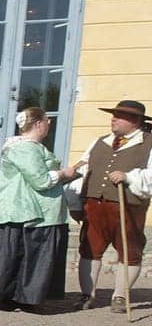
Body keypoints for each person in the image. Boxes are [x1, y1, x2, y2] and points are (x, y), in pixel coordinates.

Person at [0, 107, 71, 311]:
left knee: (20, 252)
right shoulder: (25, 148)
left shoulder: (30, 147)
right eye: (47, 120)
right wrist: (63, 174)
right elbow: (40, 180)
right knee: (23, 252)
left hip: (30, 209)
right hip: (24, 208)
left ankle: (18, 296)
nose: (49, 124)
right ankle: (21, 297)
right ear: (37, 124)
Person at [63, 99, 152, 313]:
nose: (113, 119)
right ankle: (87, 294)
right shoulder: (100, 141)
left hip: (128, 206)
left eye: (120, 116)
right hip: (94, 204)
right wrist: (73, 198)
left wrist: (129, 177)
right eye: (114, 114)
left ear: (135, 121)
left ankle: (121, 296)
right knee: (89, 249)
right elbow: (83, 168)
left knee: (129, 251)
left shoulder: (148, 142)